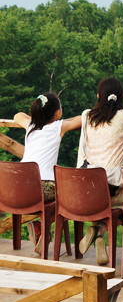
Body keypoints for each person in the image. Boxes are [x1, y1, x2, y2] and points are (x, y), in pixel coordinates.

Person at [76, 77, 123, 265]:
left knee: (105, 204)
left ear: (98, 96)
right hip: (111, 184)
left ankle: (98, 230)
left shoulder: (87, 116)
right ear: (122, 96)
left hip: (86, 183)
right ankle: (102, 232)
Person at [14, 93, 82, 253]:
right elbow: (82, 118)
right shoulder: (58, 126)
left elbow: (18, 116)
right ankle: (44, 230)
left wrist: (34, 117)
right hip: (43, 187)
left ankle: (40, 228)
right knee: (68, 201)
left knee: (59, 198)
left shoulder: (31, 126)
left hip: (19, 187)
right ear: (57, 113)